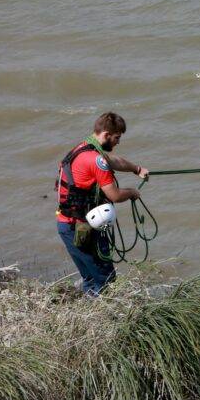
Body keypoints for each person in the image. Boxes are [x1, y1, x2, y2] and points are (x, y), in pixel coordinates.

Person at [55, 112, 148, 296]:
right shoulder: (96, 160)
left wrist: (136, 169)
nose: (118, 142)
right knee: (106, 280)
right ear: (106, 135)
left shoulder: (83, 148)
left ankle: (90, 310)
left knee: (90, 277)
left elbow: (113, 160)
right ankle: (105, 319)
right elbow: (114, 195)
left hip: (66, 225)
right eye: (117, 138)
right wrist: (132, 193)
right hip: (82, 229)